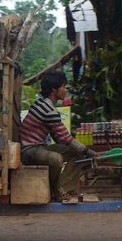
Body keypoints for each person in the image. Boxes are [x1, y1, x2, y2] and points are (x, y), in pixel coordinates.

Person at [20, 71, 97, 203]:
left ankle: (63, 188)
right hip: (28, 151)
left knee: (77, 153)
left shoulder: (43, 103)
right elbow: (65, 138)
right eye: (63, 86)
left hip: (39, 147)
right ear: (54, 90)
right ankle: (57, 189)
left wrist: (83, 151)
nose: (65, 90)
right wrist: (89, 151)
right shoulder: (48, 109)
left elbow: (59, 138)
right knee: (56, 159)